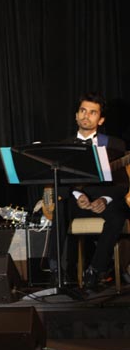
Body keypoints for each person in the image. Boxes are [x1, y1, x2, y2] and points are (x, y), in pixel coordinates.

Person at [51, 93, 128, 290]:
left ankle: (95, 270)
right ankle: (56, 269)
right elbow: (58, 182)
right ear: (76, 115)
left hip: (104, 200)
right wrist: (78, 196)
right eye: (83, 111)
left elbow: (122, 183)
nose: (86, 116)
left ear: (100, 120)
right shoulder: (62, 146)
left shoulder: (115, 144)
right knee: (60, 208)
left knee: (118, 215)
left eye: (93, 112)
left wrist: (105, 199)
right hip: (76, 200)